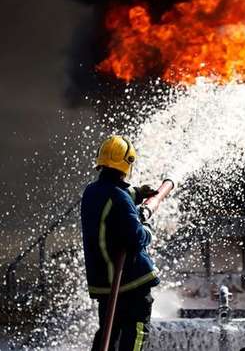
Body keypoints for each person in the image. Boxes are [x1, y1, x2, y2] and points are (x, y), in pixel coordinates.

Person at [80, 135, 159, 351]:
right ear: (128, 163)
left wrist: (137, 194)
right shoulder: (119, 198)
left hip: (105, 282)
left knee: (108, 332)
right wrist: (148, 231)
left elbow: (113, 197)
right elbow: (135, 237)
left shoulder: (91, 192)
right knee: (136, 332)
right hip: (131, 281)